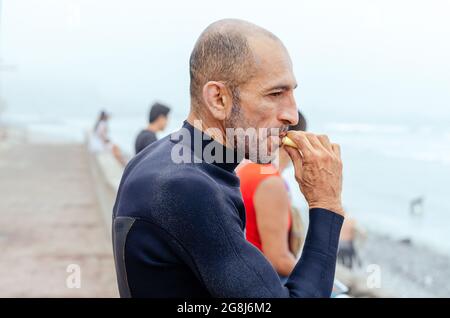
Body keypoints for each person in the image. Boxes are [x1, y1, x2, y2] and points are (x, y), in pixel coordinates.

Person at [112, 19, 344, 298]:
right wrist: (325, 204)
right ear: (218, 99)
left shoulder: (158, 159)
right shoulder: (188, 188)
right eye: (275, 93)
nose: (292, 116)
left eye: (293, 92)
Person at [236, 112, 307, 280]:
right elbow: (278, 260)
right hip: (260, 280)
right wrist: (317, 278)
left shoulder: (247, 168)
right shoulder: (270, 182)